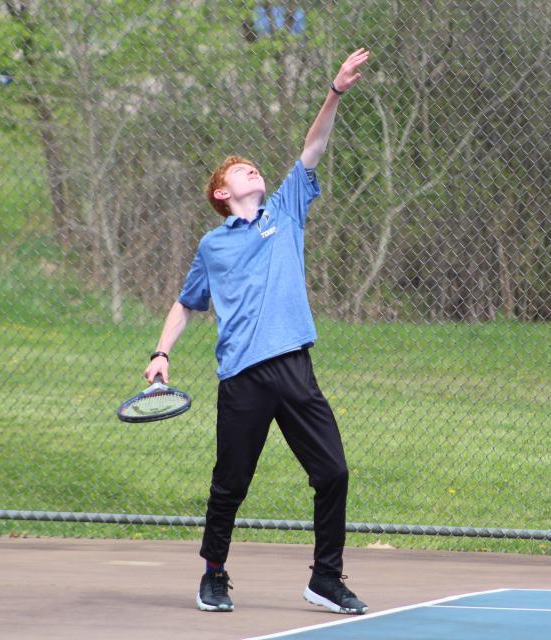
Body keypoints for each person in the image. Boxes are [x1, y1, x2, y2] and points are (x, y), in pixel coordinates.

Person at [143, 48, 371, 615]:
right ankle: (214, 574)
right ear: (222, 193)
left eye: (254, 168)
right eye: (240, 170)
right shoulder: (212, 246)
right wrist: (160, 352)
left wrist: (335, 91)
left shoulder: (285, 209)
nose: (253, 171)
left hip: (294, 366)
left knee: (334, 472)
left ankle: (325, 578)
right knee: (230, 486)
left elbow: (313, 147)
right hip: (242, 379)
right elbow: (184, 303)